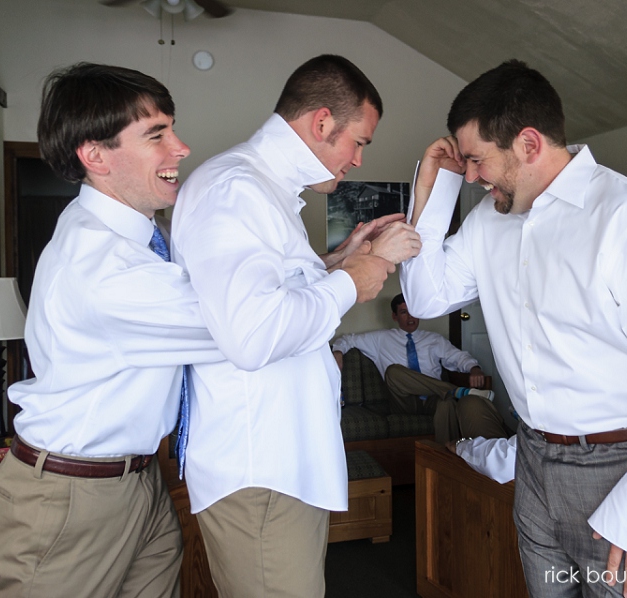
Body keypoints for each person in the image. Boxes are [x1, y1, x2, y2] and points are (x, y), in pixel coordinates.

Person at [401, 60, 627, 598]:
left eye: (476, 160)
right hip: (532, 462)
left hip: (623, 473)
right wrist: (437, 189)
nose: (472, 174)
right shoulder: (487, 221)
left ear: (528, 143)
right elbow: (424, 295)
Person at [171, 55, 420, 598]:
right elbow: (253, 334)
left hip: (281, 465)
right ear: (322, 122)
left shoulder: (263, 191)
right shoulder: (236, 190)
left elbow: (266, 293)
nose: (357, 159)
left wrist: (338, 260)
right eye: (359, 142)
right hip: (261, 472)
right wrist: (356, 279)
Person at [0, 63, 222, 597]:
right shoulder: (101, 263)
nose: (180, 148)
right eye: (156, 134)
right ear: (94, 155)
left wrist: (324, 262)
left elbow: (214, 296)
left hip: (140, 483)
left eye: (172, 128)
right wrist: (346, 278)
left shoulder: (139, 235)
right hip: (70, 499)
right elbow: (239, 326)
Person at [332, 293, 506, 443]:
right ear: (395, 316)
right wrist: (338, 352)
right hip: (403, 401)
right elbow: (348, 339)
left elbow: (458, 357)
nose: (410, 318)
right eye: (404, 312)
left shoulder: (434, 340)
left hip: (433, 399)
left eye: (414, 312)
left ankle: (444, 461)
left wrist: (474, 367)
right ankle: (456, 391)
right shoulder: (381, 339)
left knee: (446, 404)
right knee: (393, 371)